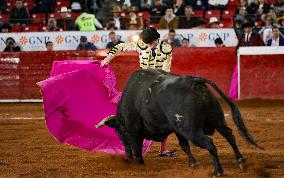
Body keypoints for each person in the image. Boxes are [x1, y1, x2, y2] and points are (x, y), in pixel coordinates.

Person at [101, 27, 176, 157]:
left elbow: (166, 69)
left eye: (151, 42)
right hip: (141, 82)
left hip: (159, 82)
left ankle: (163, 149)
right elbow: (120, 46)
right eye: (147, 43)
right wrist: (107, 59)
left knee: (166, 115)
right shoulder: (141, 44)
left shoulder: (166, 48)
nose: (149, 45)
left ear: (157, 39)